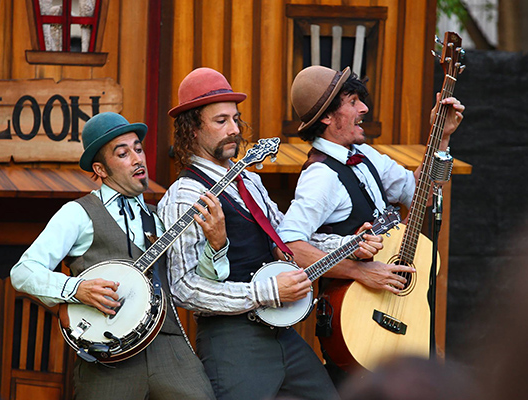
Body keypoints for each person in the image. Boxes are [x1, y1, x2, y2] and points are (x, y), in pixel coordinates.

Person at [157, 67, 382, 400]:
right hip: (233, 343)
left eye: (236, 119)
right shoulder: (184, 196)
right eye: (221, 121)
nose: (234, 129)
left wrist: (350, 245)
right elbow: (183, 287)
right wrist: (264, 293)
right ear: (192, 129)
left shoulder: (249, 181)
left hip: (281, 333)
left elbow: (284, 241)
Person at [277, 65, 465, 384]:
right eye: (353, 102)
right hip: (357, 321)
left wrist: (441, 137)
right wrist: (360, 271)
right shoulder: (320, 177)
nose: (364, 108)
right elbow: (289, 248)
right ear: (326, 118)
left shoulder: (365, 155)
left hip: (395, 306)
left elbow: (420, 194)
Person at [10, 112, 217, 400]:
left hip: (168, 347)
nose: (137, 158)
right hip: (107, 355)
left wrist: (217, 247)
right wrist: (76, 289)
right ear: (101, 169)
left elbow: (193, 281)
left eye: (138, 148)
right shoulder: (78, 213)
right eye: (123, 153)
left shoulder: (161, 218)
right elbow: (23, 271)